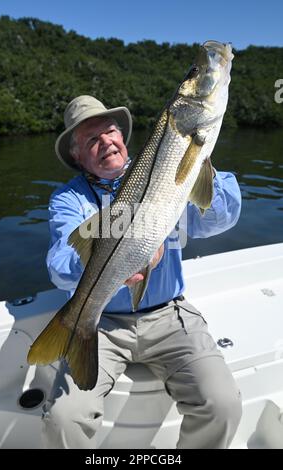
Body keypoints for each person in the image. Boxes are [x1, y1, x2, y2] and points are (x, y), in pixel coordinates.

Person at [43, 95, 242, 449]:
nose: (106, 142)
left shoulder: (170, 170)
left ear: (123, 136)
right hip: (103, 322)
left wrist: (200, 158)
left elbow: (219, 219)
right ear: (76, 155)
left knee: (223, 404)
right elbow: (60, 267)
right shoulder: (68, 199)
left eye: (111, 131)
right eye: (92, 140)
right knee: (64, 418)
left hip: (169, 316)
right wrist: (115, 260)